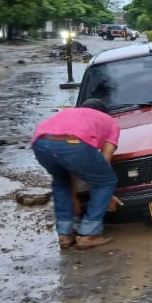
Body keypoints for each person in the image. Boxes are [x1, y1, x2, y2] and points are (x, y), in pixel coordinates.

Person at [31, 98, 121, 250]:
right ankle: (88, 235)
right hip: (74, 144)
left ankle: (65, 235)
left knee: (61, 181)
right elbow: (104, 163)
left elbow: (70, 166)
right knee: (106, 181)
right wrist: (106, 195)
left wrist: (73, 197)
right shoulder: (110, 122)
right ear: (105, 113)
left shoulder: (69, 113)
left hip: (40, 143)